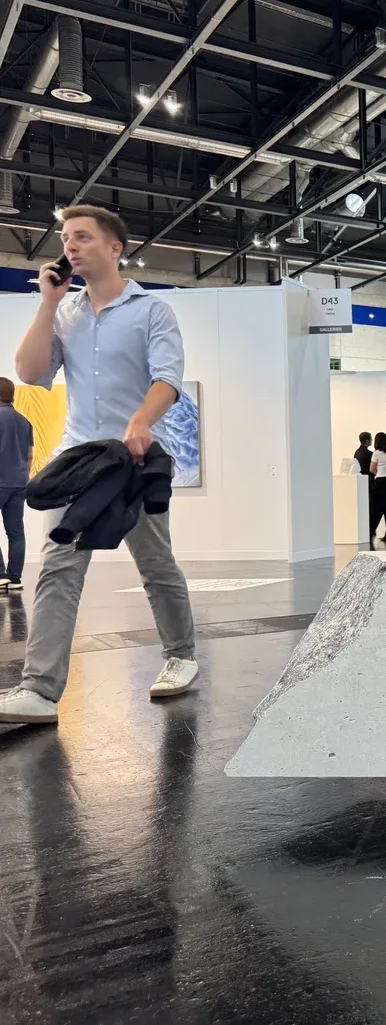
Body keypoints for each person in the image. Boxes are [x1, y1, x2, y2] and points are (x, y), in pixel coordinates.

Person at [0, 204, 199, 723]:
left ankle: (180, 656)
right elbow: (28, 372)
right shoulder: (65, 313)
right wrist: (47, 304)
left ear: (115, 248)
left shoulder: (152, 311)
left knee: (155, 563)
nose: (71, 245)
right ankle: (40, 691)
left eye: (83, 237)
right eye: (67, 238)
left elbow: (169, 379)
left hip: (134, 458)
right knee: (59, 567)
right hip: (78, 459)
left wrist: (140, 422)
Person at [0, 377, 31, 590]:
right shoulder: (24, 421)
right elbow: (29, 456)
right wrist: (23, 477)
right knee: (16, 531)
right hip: (19, 483)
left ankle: (0, 575)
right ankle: (15, 577)